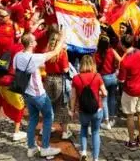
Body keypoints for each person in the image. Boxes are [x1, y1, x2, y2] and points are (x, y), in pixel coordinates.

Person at [12, 30, 66, 158]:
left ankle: (31, 147)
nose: (36, 41)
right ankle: (45, 147)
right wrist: (62, 38)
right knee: (48, 117)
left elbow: (15, 69)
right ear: (30, 44)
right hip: (38, 94)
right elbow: (55, 52)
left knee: (33, 119)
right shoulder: (34, 58)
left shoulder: (18, 56)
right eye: (34, 40)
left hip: (27, 93)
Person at [70, 55, 108, 161]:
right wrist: (99, 93)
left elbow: (73, 96)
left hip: (83, 110)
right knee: (95, 132)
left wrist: (72, 110)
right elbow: (105, 93)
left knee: (83, 129)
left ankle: (84, 152)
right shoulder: (97, 76)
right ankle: (95, 158)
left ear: (81, 64)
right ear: (93, 64)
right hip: (97, 109)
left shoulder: (76, 78)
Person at [118, 33, 140, 148]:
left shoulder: (124, 61)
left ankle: (131, 141)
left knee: (130, 115)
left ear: (122, 45)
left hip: (130, 90)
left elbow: (121, 79)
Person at [42, 27, 73, 141]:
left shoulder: (47, 51)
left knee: (48, 105)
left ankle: (46, 128)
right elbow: (65, 69)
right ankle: (65, 132)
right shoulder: (62, 53)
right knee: (62, 106)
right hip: (59, 80)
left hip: (48, 79)